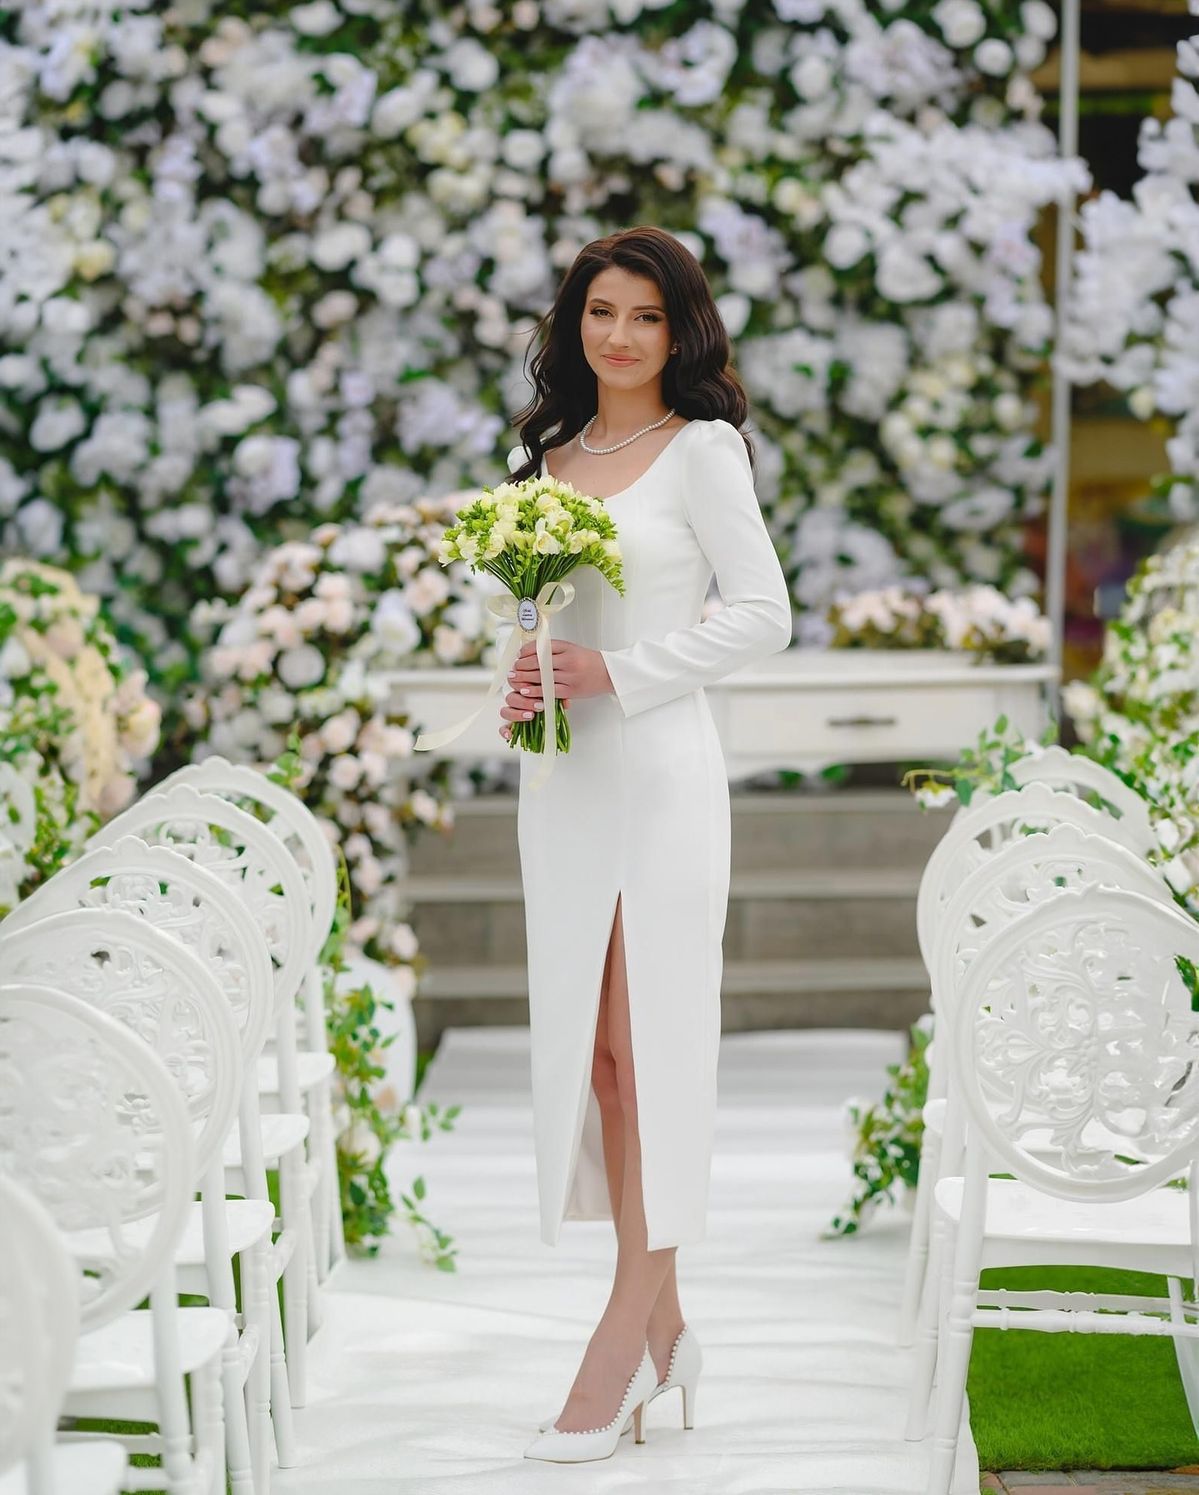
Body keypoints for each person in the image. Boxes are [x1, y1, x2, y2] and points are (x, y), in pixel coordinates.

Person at [499, 225, 793, 1464]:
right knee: (603, 1066)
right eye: (600, 312)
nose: (619, 336)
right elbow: (535, 622)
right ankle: (671, 1335)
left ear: (681, 332)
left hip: (662, 780)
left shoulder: (703, 449)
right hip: (563, 785)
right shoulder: (540, 459)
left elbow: (764, 616)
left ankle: (620, 1338)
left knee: (650, 1049)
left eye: (645, 316)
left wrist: (617, 672)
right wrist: (524, 677)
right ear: (572, 323)